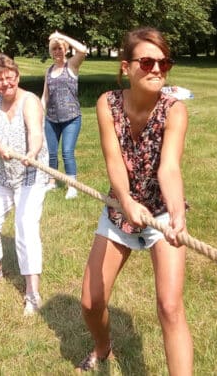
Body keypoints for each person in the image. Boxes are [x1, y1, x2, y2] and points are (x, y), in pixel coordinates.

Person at [78, 28, 193, 374]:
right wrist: (126, 201)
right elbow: (114, 161)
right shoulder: (107, 104)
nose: (157, 69)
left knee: (170, 307)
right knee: (91, 302)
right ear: (126, 67)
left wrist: (176, 214)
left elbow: (169, 168)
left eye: (164, 62)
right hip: (121, 209)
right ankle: (103, 348)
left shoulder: (175, 111)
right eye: (147, 62)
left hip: (160, 212)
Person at [0, 54, 48, 316]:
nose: (5, 83)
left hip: (30, 174)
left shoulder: (30, 101)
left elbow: (36, 133)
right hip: (2, 174)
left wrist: (31, 153)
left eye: (9, 77)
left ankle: (32, 293)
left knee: (26, 229)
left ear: (17, 76)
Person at [41, 30, 87, 199]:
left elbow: (83, 50)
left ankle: (72, 186)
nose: (57, 51)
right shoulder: (49, 70)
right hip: (51, 119)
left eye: (60, 48)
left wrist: (61, 37)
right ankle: (51, 182)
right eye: (54, 49)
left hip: (71, 118)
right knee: (51, 153)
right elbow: (45, 96)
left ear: (66, 49)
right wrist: (38, 113)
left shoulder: (72, 65)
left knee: (67, 152)